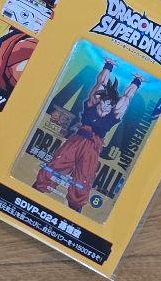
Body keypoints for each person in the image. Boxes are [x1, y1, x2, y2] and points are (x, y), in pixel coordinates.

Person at [34, 58, 142, 211]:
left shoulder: (113, 115)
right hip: (77, 140)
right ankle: (40, 186)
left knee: (84, 176)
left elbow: (126, 98)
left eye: (110, 105)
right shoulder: (92, 104)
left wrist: (137, 82)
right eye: (105, 103)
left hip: (92, 147)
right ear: (101, 101)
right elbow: (101, 83)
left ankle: (75, 204)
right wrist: (108, 66)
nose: (107, 107)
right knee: (57, 163)